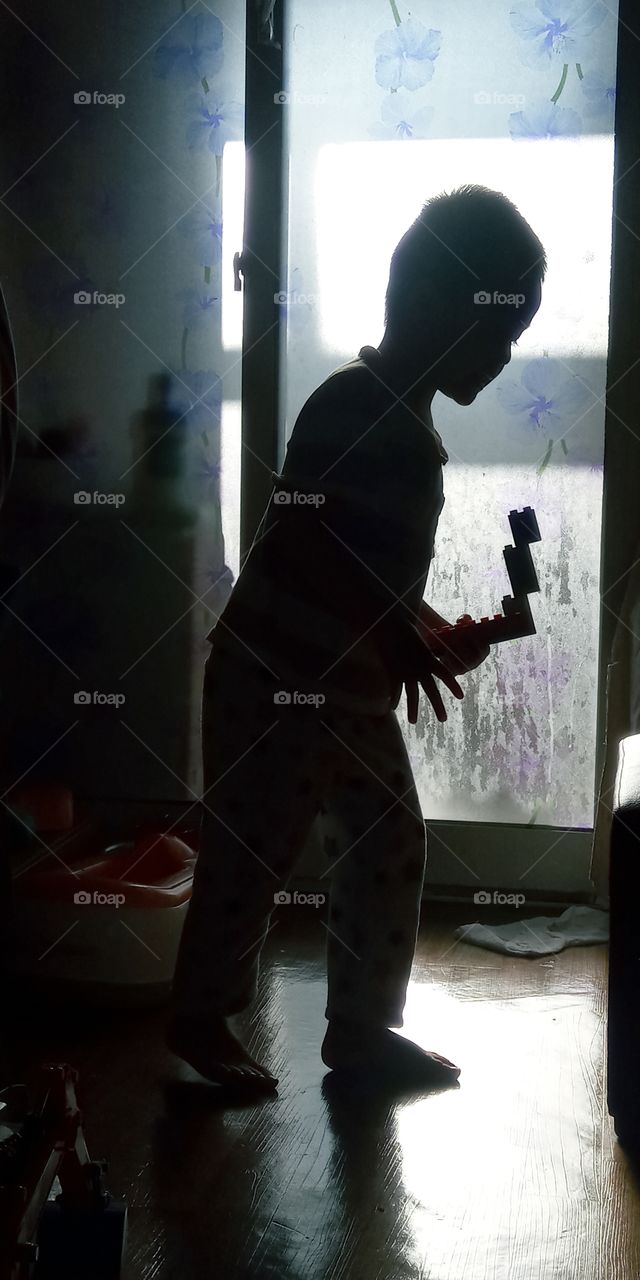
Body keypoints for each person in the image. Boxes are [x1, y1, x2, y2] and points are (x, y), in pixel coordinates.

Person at [166, 184, 545, 1095]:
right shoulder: (352, 402)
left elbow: (371, 574)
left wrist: (428, 631)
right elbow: (302, 531)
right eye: (497, 331)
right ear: (435, 306)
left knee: (387, 846)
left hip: (351, 694)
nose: (504, 356)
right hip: (274, 681)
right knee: (250, 855)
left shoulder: (412, 425)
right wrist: (393, 629)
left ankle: (363, 1030)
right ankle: (200, 1022)